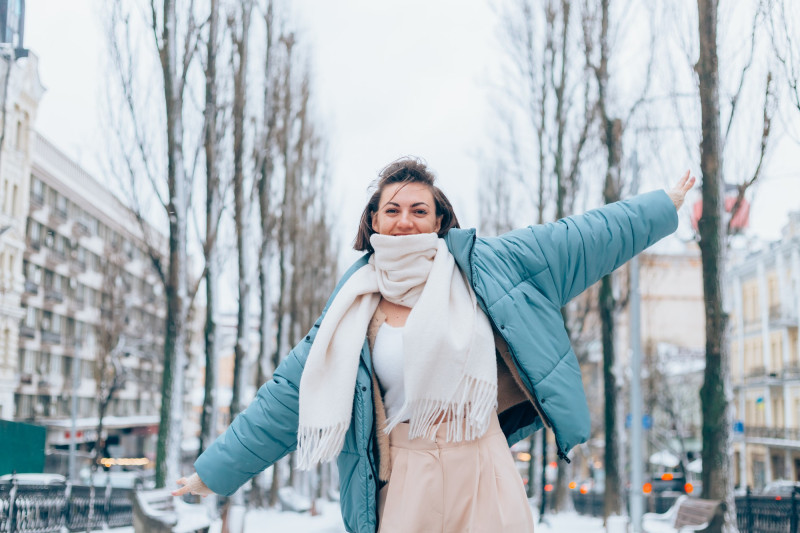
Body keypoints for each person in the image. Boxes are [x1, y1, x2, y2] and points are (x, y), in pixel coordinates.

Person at [173, 158, 695, 533]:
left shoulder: (490, 267)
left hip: (483, 466)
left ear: (439, 220)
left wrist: (660, 207)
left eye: (419, 210)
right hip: (405, 478)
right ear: (373, 222)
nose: (405, 220)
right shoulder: (349, 310)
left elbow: (581, 238)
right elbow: (285, 398)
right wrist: (212, 473)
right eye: (393, 209)